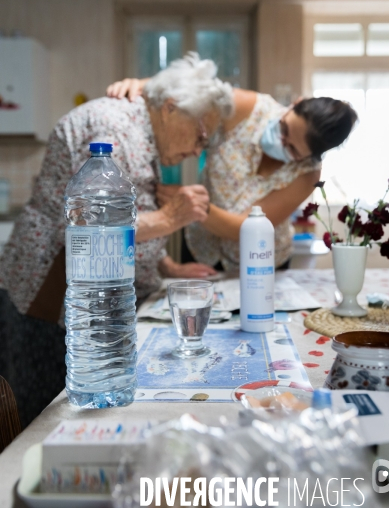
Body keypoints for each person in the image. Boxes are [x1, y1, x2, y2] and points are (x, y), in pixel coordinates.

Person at [0, 53, 232, 427]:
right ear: (172, 108)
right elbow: (95, 229)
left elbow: (133, 210)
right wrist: (172, 217)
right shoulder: (114, 130)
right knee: (47, 419)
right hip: (53, 295)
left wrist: (168, 265)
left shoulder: (142, 130)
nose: (197, 150)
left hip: (91, 301)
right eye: (201, 135)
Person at [107, 59, 357, 271]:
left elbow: (246, 228)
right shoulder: (249, 107)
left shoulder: (307, 174)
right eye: (284, 127)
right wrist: (142, 85)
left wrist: (192, 206)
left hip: (259, 261)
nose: (280, 141)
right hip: (201, 246)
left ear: (309, 157)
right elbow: (191, 91)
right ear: (293, 104)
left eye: (292, 148)